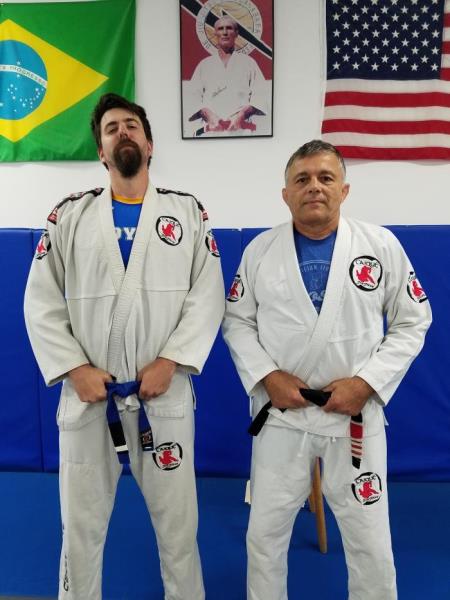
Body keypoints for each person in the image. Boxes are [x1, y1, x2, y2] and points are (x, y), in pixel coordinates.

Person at [24, 93, 225, 600]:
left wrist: (172, 360)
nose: (122, 133)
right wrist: (74, 369)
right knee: (80, 529)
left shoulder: (186, 211)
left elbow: (207, 295)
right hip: (89, 395)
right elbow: (40, 301)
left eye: (131, 125)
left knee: (179, 528)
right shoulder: (68, 215)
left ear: (150, 144)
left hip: (163, 393)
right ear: (101, 151)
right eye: (111, 128)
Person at [222, 140, 432, 600]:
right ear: (286, 194)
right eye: (302, 179)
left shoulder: (381, 245)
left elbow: (413, 320)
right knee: (265, 534)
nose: (314, 187)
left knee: (369, 538)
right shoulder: (260, 251)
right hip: (283, 416)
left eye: (325, 177)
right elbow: (236, 321)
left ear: (344, 189)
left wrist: (367, 383)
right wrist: (268, 377)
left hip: (353, 415)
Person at [186, 15, 268, 136]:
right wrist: (208, 115)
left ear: (236, 33)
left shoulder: (248, 63)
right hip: (211, 131)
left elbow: (261, 95)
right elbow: (192, 98)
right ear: (215, 33)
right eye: (220, 29)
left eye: (229, 28)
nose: (224, 32)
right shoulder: (204, 65)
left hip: (241, 131)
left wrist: (242, 114)